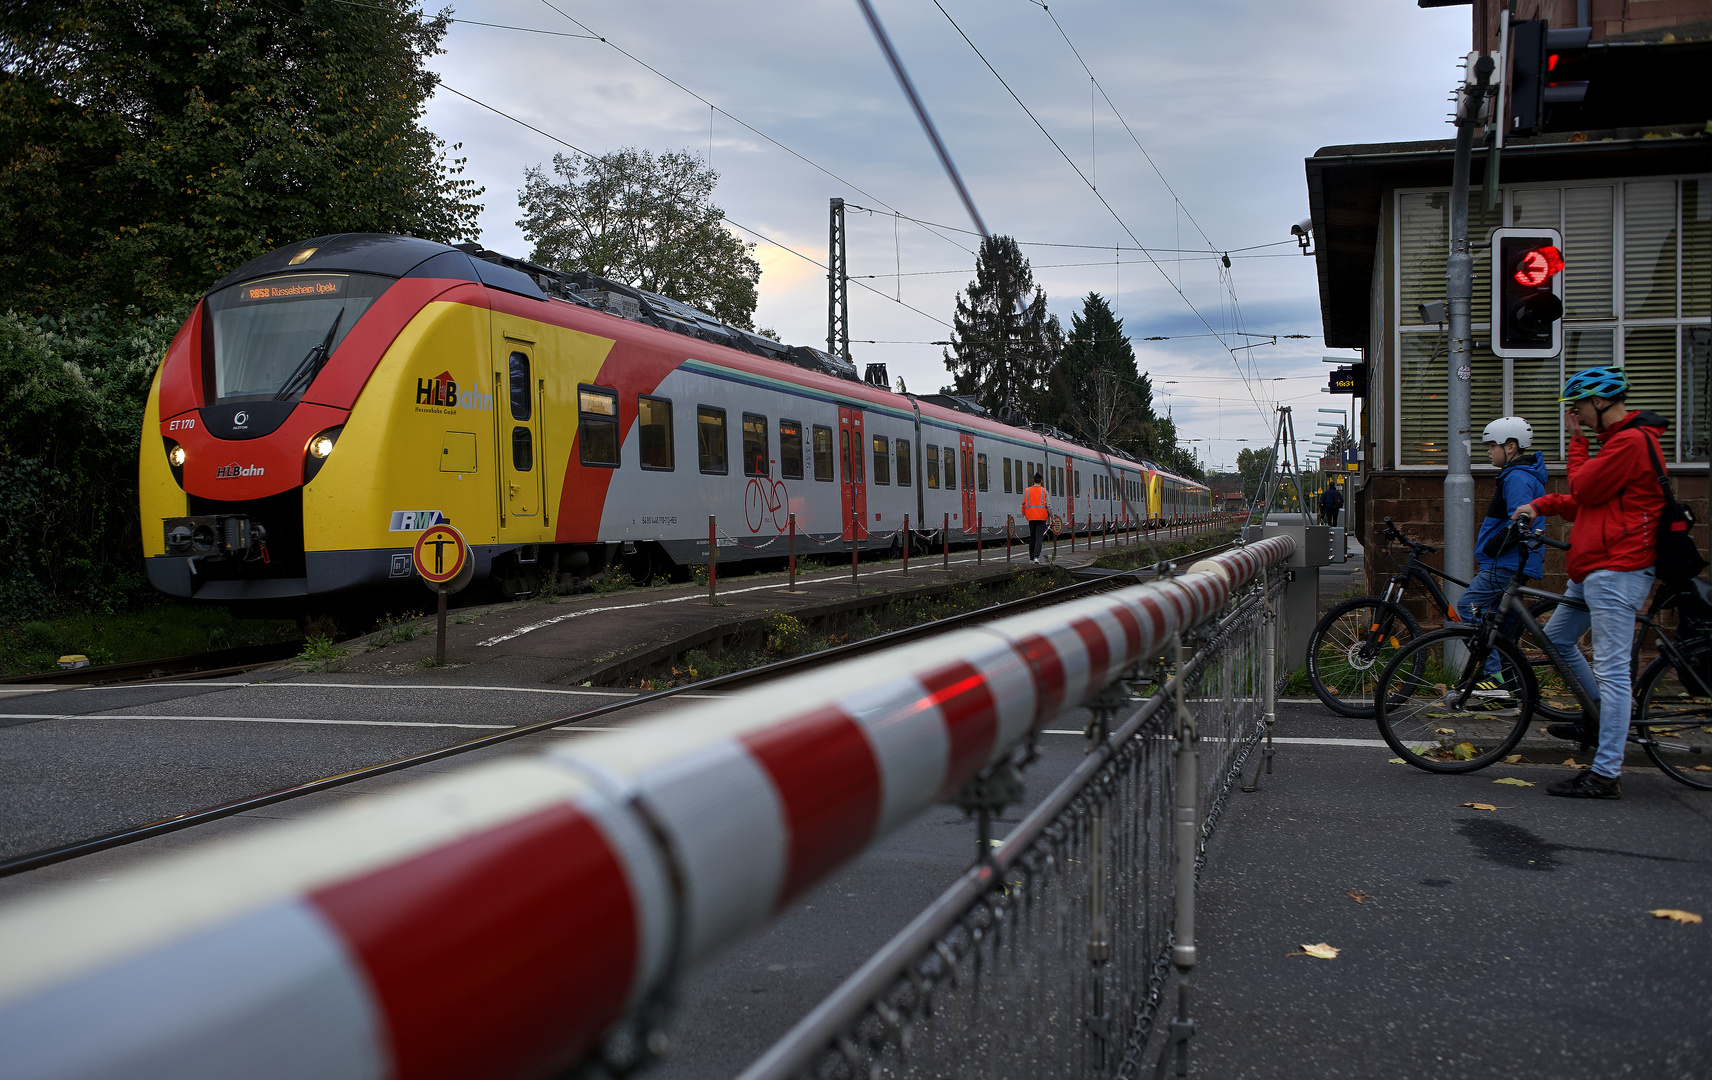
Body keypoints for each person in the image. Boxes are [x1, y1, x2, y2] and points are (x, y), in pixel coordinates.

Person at [1512, 367, 1666, 800]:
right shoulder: (1617, 443)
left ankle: (1605, 773)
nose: (1574, 417)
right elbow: (1586, 500)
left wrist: (1576, 442)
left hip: (1618, 569)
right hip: (1595, 567)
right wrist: (1538, 505)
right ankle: (1598, 714)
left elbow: (1581, 484)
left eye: (1578, 408)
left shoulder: (1632, 443)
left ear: (1600, 403)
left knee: (1614, 671)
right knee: (1556, 639)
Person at [1458, 416, 1548, 701]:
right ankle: (1511, 686)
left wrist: (1494, 545)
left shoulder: (1518, 477)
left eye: (1492, 446)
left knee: (1466, 607)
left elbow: (1520, 519)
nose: (1488, 451)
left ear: (1511, 446)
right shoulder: (1518, 475)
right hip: (1512, 561)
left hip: (1506, 562)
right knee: (1502, 629)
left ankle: (1493, 679)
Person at [1021, 472, 1050, 562]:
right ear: (1041, 481)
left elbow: (1023, 504)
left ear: (1033, 480)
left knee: (1032, 537)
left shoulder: (1027, 491)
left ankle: (1031, 558)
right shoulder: (1044, 491)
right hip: (1041, 518)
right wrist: (1052, 518)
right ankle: (1036, 557)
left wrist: (1025, 513)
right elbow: (1049, 506)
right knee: (1039, 538)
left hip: (1031, 517)